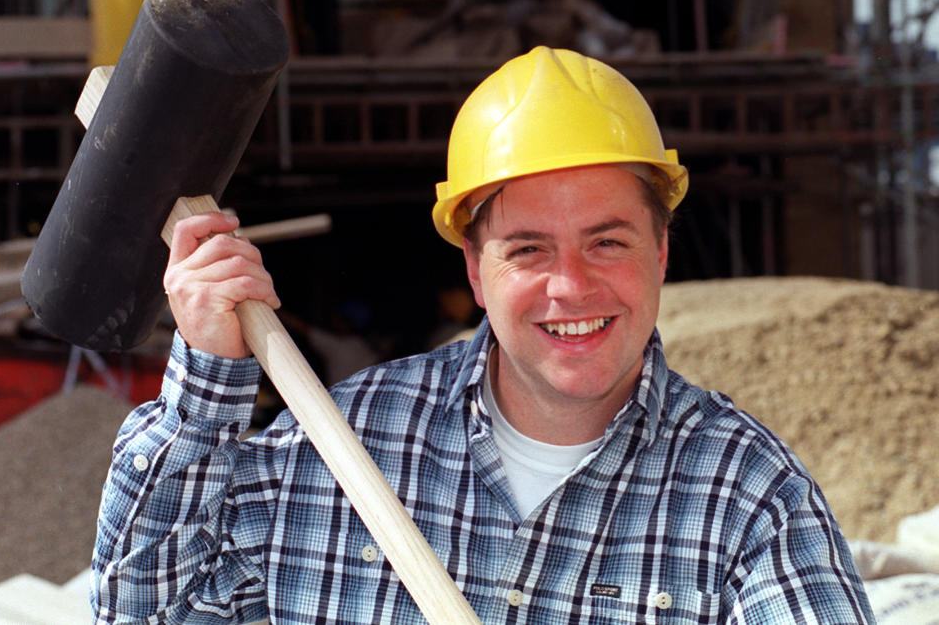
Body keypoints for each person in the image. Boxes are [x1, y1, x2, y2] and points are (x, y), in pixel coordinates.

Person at [92, 46, 874, 623]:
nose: (570, 285)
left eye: (608, 241)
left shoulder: (746, 498)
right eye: (528, 249)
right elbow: (141, 611)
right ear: (474, 270)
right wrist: (205, 388)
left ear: (661, 251)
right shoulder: (338, 449)